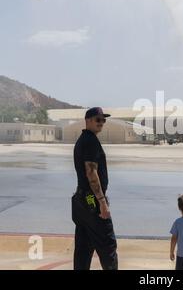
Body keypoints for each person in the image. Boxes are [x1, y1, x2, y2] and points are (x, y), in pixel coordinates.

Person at [71, 107, 118, 270]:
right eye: (98, 120)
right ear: (88, 120)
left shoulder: (83, 140)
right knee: (108, 246)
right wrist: (102, 202)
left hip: (81, 200)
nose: (101, 123)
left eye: (103, 120)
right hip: (92, 201)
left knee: (83, 248)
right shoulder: (90, 141)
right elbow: (91, 172)